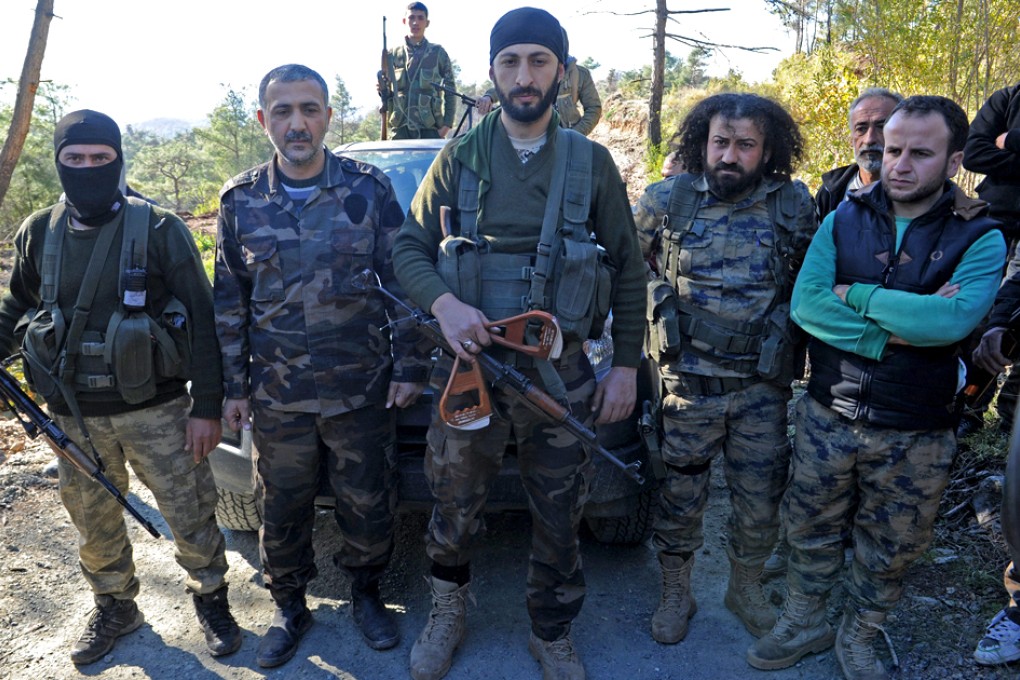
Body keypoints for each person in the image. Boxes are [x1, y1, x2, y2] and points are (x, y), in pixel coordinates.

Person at [392, 8, 646, 680]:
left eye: (538, 61)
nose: (524, 76)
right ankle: (447, 608)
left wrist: (625, 367)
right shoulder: (461, 156)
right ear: (493, 71)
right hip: (469, 372)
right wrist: (444, 305)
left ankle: (551, 630)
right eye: (511, 62)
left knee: (562, 511)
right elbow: (409, 248)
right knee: (453, 502)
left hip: (559, 375)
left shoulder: (590, 163)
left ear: (561, 71)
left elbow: (627, 267)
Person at [747, 95, 1007, 680]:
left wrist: (857, 295)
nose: (900, 165)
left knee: (891, 544)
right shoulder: (843, 218)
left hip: (917, 426)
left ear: (956, 159)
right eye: (893, 150)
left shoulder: (982, 236)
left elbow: (950, 323)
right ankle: (804, 618)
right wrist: (896, 326)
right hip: (827, 412)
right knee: (809, 525)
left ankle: (860, 632)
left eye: (921, 152)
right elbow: (808, 304)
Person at [0, 110, 239, 665]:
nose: (87, 168)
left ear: (118, 159)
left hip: (156, 410)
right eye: (74, 159)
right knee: (92, 520)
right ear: (59, 161)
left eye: (100, 158)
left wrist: (206, 407)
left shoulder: (158, 228)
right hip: (72, 414)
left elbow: (204, 321)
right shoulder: (39, 231)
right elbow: (20, 302)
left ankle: (211, 597)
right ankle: (114, 604)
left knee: (189, 512)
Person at [214, 64, 429, 669]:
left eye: (309, 109)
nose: (297, 122)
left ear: (328, 117)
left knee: (368, 500)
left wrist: (411, 364)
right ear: (264, 121)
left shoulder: (369, 190)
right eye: (282, 111)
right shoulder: (240, 201)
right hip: (277, 395)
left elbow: (404, 281)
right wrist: (233, 389)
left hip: (360, 388)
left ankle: (366, 594)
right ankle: (290, 607)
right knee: (281, 507)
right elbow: (229, 303)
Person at [633, 93, 816, 646]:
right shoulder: (666, 200)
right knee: (679, 498)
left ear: (768, 150)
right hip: (687, 389)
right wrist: (653, 300)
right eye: (720, 142)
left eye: (745, 144)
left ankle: (746, 587)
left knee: (759, 500)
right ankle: (676, 590)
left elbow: (813, 283)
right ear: (702, 142)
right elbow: (618, 269)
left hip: (761, 390)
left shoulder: (792, 205)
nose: (730, 155)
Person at [960, 82, 1020, 438]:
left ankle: (1010, 418)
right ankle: (970, 407)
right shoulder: (1007, 98)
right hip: (994, 223)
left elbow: (991, 150)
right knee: (978, 316)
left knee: (1012, 320)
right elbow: (973, 153)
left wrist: (1010, 141)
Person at [476, 29, 603, 138]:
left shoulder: (580, 74)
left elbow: (593, 108)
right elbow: (512, 86)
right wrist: (489, 97)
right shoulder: (532, 67)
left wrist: (574, 135)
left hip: (566, 140)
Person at [815, 88, 902, 220]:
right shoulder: (830, 193)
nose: (869, 139)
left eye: (881, 127)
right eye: (861, 129)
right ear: (851, 139)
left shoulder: (922, 192)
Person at [381, 2, 457, 139]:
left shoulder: (437, 53)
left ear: (427, 23)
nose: (415, 22)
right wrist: (381, 89)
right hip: (400, 131)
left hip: (430, 129)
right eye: (411, 18)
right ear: (405, 21)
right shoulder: (392, 55)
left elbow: (451, 91)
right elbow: (387, 94)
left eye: (420, 18)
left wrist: (446, 126)